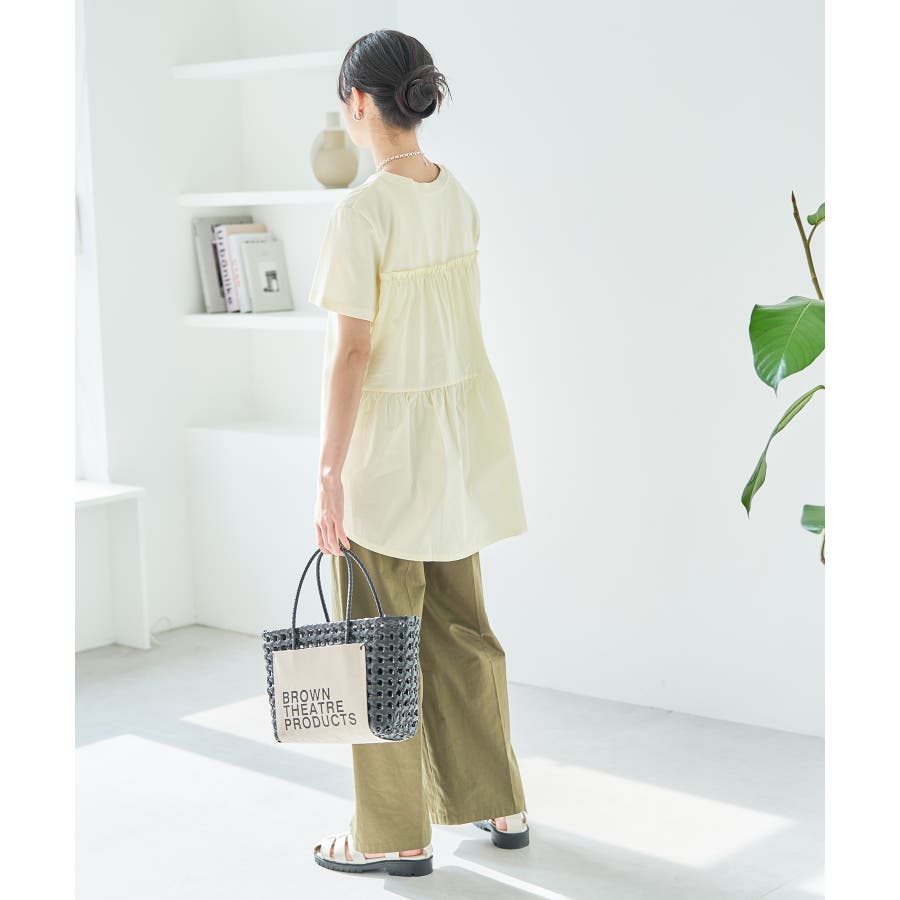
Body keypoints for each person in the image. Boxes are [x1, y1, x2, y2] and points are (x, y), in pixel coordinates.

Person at [308, 29, 529, 878]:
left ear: (359, 102)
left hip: (388, 458)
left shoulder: (360, 213)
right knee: (462, 628)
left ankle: (393, 832)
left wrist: (327, 472)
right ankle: (499, 801)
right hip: (460, 444)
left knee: (378, 644)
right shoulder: (455, 194)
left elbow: (352, 352)